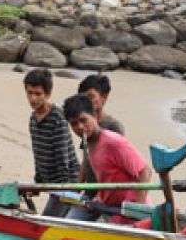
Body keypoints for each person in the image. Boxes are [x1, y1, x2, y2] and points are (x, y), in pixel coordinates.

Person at [61, 94, 150, 225]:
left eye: (83, 120)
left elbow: (145, 170)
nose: (80, 127)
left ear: (95, 116)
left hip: (126, 211)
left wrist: (138, 209)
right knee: (67, 224)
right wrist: (100, 196)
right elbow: (107, 176)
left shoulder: (112, 141)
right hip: (107, 207)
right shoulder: (88, 144)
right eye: (74, 124)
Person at [24, 68, 79, 218]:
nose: (33, 99)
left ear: (48, 94)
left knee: (50, 221)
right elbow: (38, 153)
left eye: (38, 94)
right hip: (51, 184)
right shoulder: (33, 119)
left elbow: (63, 157)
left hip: (66, 184)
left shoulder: (57, 118)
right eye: (29, 93)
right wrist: (38, 183)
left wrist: (61, 189)